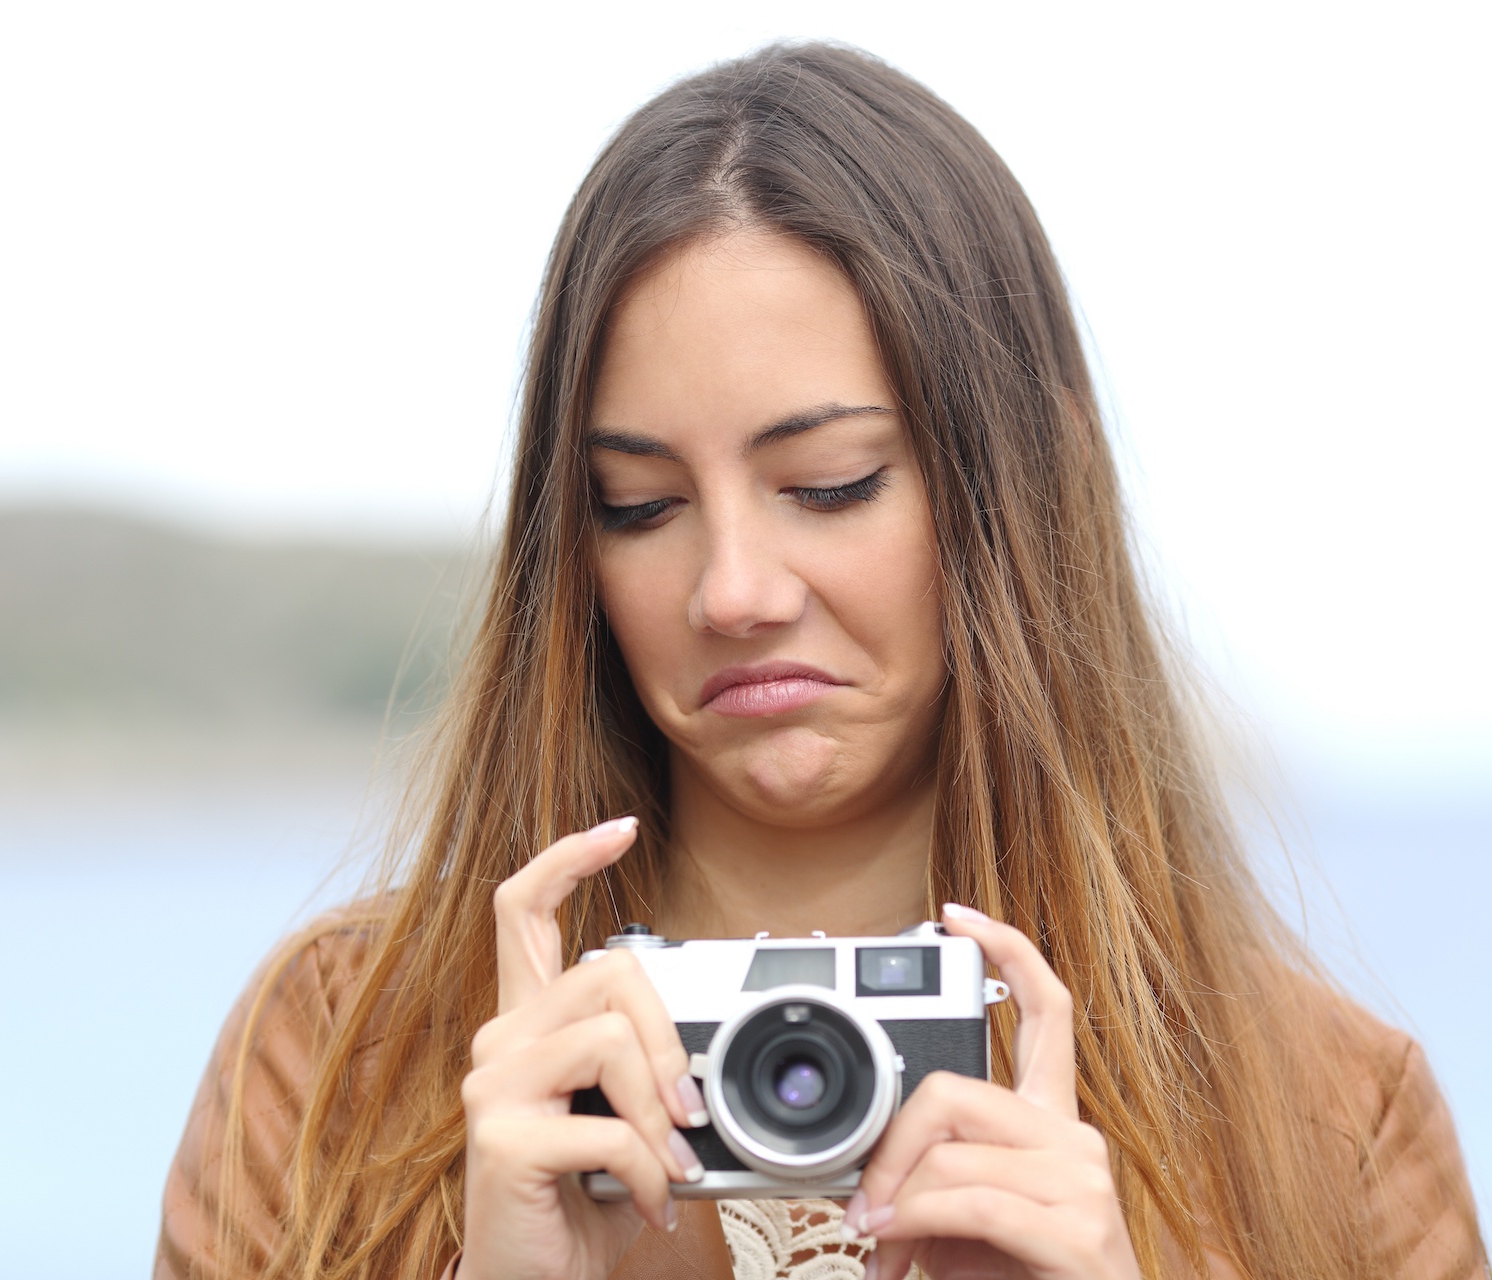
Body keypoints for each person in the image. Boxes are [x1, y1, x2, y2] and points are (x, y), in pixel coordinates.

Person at [154, 42, 1485, 1280]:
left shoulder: (1325, 1122)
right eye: (640, 505)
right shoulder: (343, 1056)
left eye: (832, 485)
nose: (732, 592)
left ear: (1025, 486)